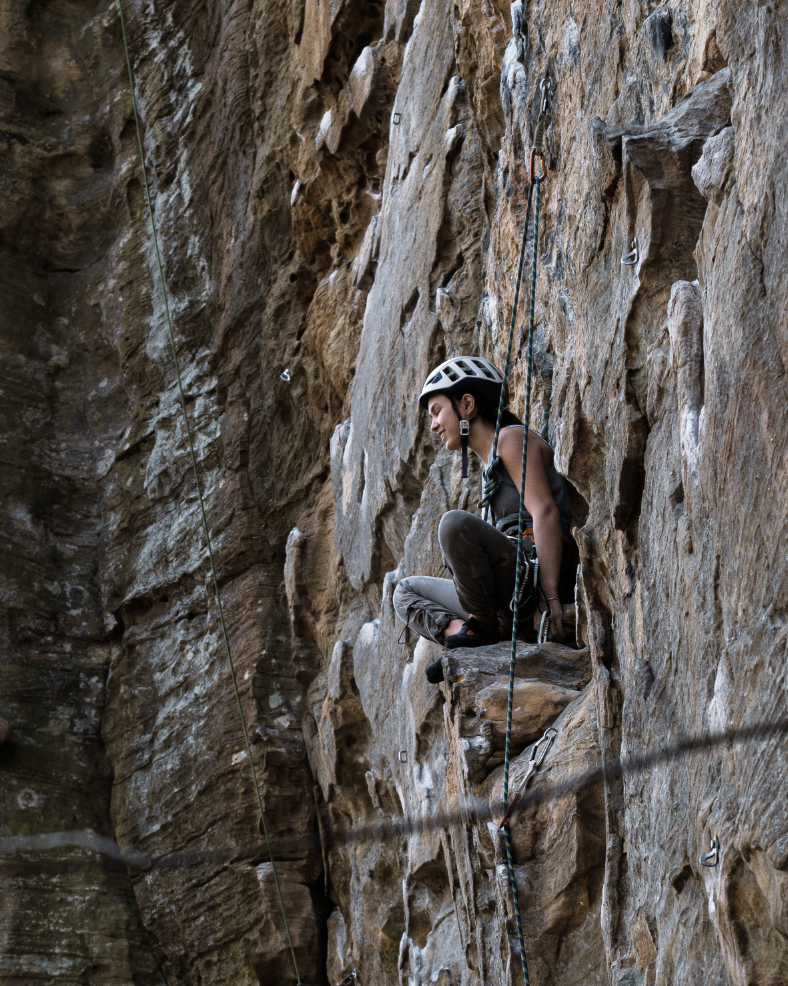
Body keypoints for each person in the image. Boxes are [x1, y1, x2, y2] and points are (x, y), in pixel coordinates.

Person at [393, 356, 578, 681]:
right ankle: (473, 633)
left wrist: (550, 598)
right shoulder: (487, 477)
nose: (434, 425)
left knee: (454, 526)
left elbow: (545, 512)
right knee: (404, 592)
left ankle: (483, 628)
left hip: (537, 573)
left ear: (466, 404)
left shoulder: (511, 439)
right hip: (509, 592)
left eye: (437, 411)